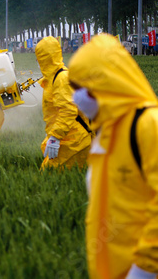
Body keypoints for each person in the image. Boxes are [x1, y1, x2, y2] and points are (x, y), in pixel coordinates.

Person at [68, 34, 158, 279]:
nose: (77, 97)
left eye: (81, 88)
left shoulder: (148, 126)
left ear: (105, 83)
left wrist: (146, 269)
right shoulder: (107, 132)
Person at [34, 36, 92, 170]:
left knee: (49, 176)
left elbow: (68, 111)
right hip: (68, 137)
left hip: (74, 141)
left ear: (45, 58)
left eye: (39, 56)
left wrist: (55, 136)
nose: (37, 60)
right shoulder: (53, 78)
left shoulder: (61, 79)